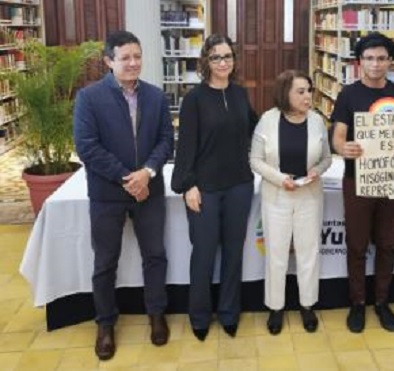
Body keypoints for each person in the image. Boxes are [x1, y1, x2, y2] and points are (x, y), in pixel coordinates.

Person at [73, 30, 173, 361]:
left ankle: (156, 314)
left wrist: (148, 172)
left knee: (155, 255)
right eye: (125, 57)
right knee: (105, 263)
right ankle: (105, 324)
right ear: (108, 61)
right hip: (107, 194)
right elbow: (87, 146)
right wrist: (126, 177)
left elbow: (165, 141)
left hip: (149, 190)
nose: (133, 63)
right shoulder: (89, 98)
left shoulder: (156, 97)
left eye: (137, 56)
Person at [330, 32, 394, 333]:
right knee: (357, 243)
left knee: (387, 243)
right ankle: (358, 302)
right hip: (357, 179)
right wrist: (341, 147)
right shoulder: (348, 94)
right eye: (369, 58)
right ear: (359, 62)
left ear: (391, 62)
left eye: (381, 58)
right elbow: (338, 133)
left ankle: (382, 301)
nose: (375, 64)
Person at [171, 34, 258, 341]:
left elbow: (256, 128)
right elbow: (185, 148)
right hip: (204, 189)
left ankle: (229, 313)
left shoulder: (239, 94)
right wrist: (188, 185)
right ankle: (198, 316)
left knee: (234, 254)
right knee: (204, 254)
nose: (224, 62)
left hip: (239, 186)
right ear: (206, 61)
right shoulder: (194, 99)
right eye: (217, 57)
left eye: (228, 57)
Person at [250, 70, 332, 335]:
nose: (308, 96)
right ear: (285, 93)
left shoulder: (317, 121)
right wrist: (279, 178)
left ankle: (307, 305)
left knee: (309, 253)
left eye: (309, 90)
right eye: (301, 91)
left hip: (309, 196)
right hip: (277, 196)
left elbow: (327, 158)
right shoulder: (268, 120)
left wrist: (317, 171)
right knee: (276, 254)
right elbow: (255, 160)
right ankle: (276, 307)